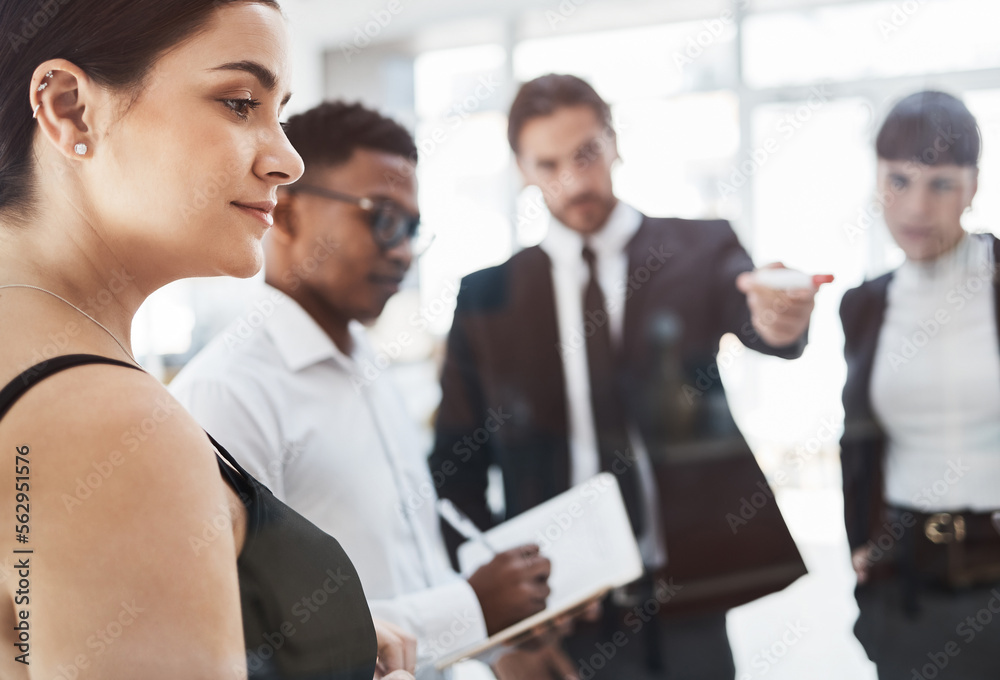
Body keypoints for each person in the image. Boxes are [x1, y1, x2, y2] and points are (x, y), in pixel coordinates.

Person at [0, 3, 414, 679]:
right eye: (239, 102)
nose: (287, 160)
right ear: (70, 108)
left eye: (279, 110)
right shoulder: (108, 423)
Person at [429, 74, 819, 680]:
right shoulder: (486, 297)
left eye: (586, 154)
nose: (574, 180)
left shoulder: (699, 247)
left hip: (688, 592)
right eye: (549, 163)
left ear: (614, 142)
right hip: (567, 608)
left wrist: (780, 318)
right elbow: (456, 468)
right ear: (522, 169)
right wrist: (501, 628)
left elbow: (759, 321)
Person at [169, 101, 554, 679]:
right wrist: (471, 608)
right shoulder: (228, 393)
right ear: (289, 214)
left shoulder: (369, 365)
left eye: (412, 228)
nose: (401, 249)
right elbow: (252, 640)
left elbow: (411, 570)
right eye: (381, 217)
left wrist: (503, 641)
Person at [840, 91, 1000, 680]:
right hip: (907, 577)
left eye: (941, 184)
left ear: (974, 186)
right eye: (899, 181)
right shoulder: (864, 304)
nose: (916, 206)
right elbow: (857, 436)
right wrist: (860, 537)